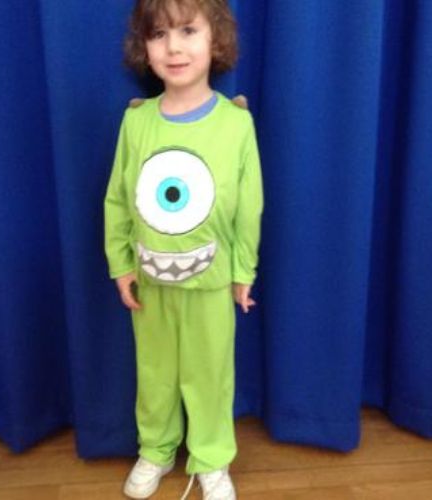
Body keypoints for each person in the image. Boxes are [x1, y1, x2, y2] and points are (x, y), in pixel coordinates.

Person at [104, 0, 263, 498]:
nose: (173, 47)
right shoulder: (136, 122)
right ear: (145, 47)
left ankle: (212, 458)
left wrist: (243, 271)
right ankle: (155, 448)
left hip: (211, 282)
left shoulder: (236, 124)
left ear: (215, 40)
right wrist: (120, 263)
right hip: (150, 281)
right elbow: (117, 199)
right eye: (158, 34)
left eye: (188, 31)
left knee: (210, 375)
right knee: (154, 374)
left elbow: (249, 205)